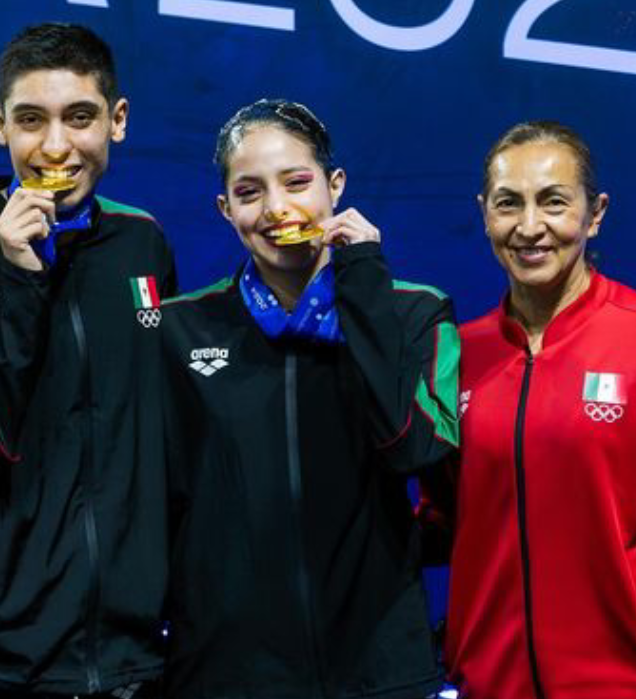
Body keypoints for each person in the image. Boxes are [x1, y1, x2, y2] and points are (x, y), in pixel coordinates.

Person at [157, 99, 459, 699]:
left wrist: (365, 291)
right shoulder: (182, 328)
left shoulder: (412, 310)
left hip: (378, 670)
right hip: (225, 674)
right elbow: (153, 498)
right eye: (249, 192)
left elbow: (412, 447)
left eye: (297, 183)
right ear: (225, 208)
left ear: (335, 185)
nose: (277, 209)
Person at [0, 22, 177, 698]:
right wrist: (19, 280)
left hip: (123, 649)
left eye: (79, 117)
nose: (56, 146)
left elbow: (162, 428)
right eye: (32, 120)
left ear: (117, 122)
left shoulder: (143, 242)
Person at [444, 121, 636, 698]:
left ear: (595, 213)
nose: (530, 227)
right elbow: (445, 523)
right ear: (485, 213)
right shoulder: (459, 354)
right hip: (490, 687)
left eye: (554, 202)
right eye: (509, 204)